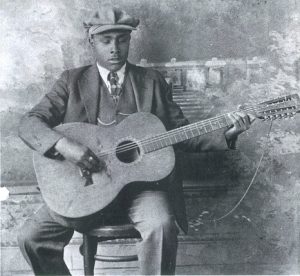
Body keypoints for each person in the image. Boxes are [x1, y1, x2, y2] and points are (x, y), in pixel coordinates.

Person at [17, 7, 254, 275]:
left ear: (130, 40)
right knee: (30, 237)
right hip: (81, 190)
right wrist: (65, 146)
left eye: (122, 40)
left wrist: (228, 133)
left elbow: (181, 132)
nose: (115, 48)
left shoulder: (151, 81)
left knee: (161, 225)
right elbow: (29, 123)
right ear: (91, 42)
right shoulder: (71, 81)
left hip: (141, 188)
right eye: (106, 41)